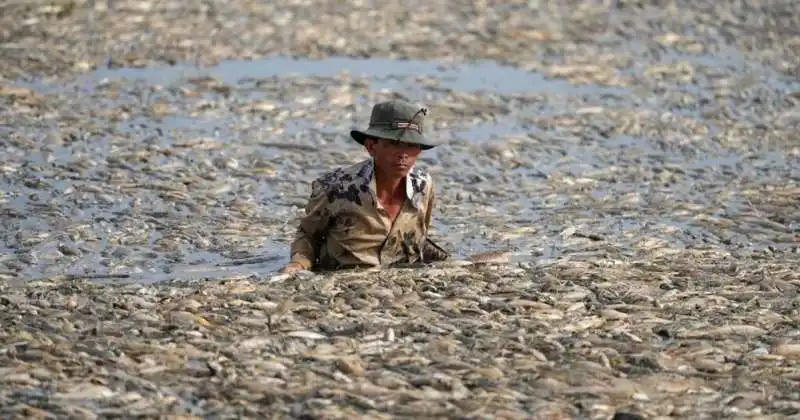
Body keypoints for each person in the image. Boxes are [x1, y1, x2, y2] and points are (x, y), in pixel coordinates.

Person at [280, 99, 449, 273]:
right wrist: (299, 265)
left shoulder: (423, 186)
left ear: (420, 150)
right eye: (394, 144)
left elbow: (420, 238)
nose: (403, 155)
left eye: (411, 146)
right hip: (345, 282)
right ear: (371, 146)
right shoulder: (337, 187)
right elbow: (307, 235)